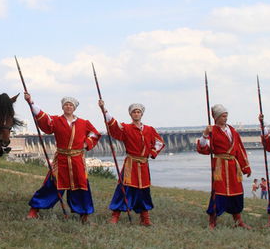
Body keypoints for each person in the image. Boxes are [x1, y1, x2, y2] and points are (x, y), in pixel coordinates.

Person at [25, 93, 100, 223]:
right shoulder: (56, 121)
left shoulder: (83, 123)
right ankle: (35, 209)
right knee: (52, 185)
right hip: (61, 160)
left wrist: (86, 143)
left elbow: (95, 133)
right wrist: (31, 102)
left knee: (81, 186)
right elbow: (43, 118)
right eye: (66, 104)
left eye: (71, 105)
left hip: (77, 160)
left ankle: (84, 213)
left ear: (74, 108)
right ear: (62, 107)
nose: (68, 107)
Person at [98, 100, 165, 226]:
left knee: (143, 191)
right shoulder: (126, 128)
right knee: (124, 189)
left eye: (138, 112)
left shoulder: (149, 129)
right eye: (134, 112)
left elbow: (159, 142)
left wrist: (152, 152)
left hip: (143, 165)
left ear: (141, 114)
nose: (136, 114)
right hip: (131, 164)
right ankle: (115, 216)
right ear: (131, 114)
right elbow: (113, 124)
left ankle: (145, 217)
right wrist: (104, 109)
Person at [196, 104, 251, 229]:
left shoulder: (233, 131)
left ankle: (238, 221)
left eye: (226, 116)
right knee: (219, 192)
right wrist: (205, 134)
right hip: (220, 166)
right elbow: (203, 148)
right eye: (222, 116)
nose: (225, 118)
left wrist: (245, 166)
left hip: (233, 167)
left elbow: (240, 150)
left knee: (236, 192)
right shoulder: (212, 131)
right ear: (216, 117)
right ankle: (212, 220)